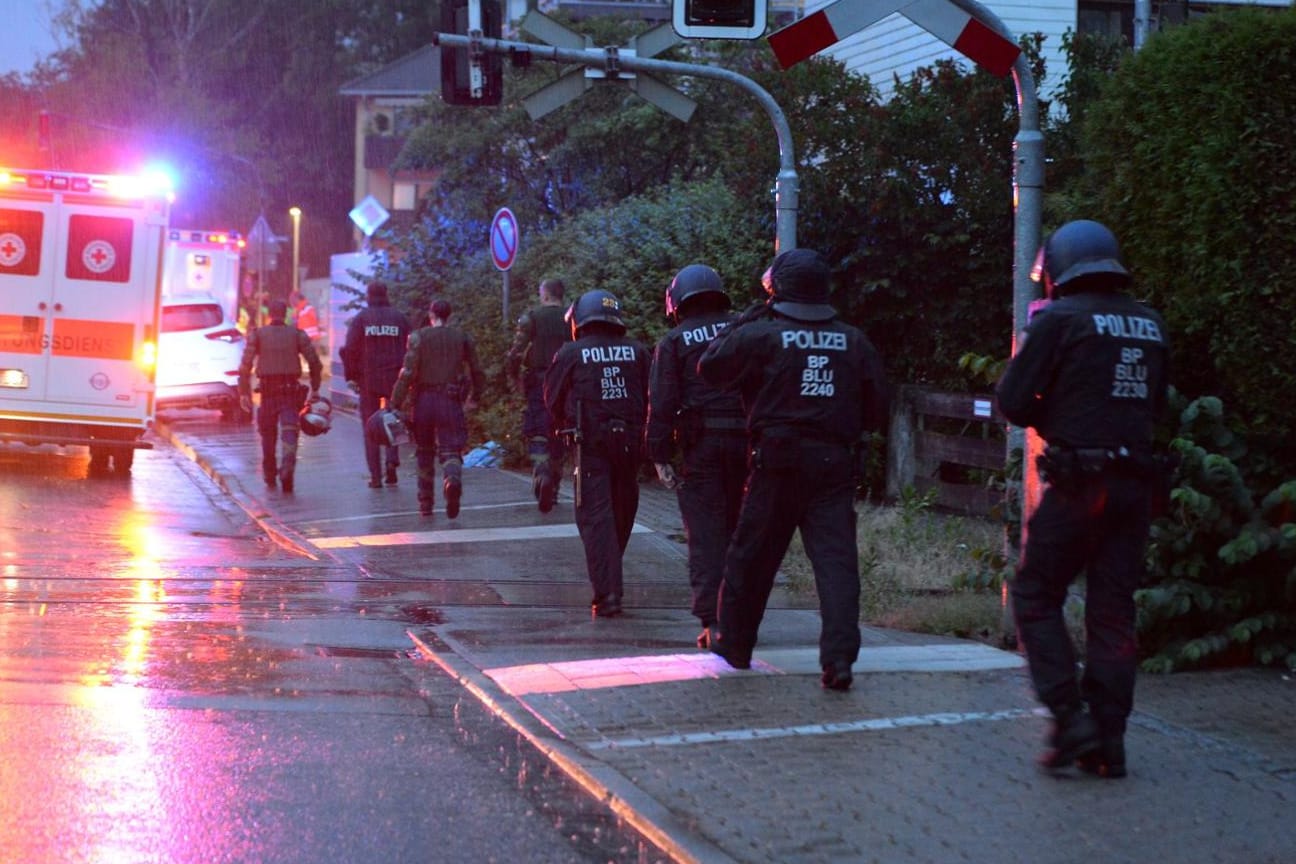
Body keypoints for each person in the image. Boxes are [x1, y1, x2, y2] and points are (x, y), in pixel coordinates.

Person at [996, 219, 1170, 778]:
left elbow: (1014, 402)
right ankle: (1110, 740)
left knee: (1036, 593)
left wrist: (1057, 411)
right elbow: (1157, 408)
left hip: (1078, 484)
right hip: (1135, 486)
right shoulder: (1150, 323)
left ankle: (1070, 717)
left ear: (1058, 272)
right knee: (1114, 610)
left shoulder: (1062, 321)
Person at [698, 249, 887, 691]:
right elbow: (878, 408)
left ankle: (736, 645)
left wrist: (744, 319)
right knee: (836, 563)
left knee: (751, 557)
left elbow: (710, 367)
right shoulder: (854, 340)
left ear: (775, 291)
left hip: (776, 462)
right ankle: (839, 659)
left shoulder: (762, 335)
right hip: (834, 464)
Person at [645, 264, 747, 649]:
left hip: (700, 449)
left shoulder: (673, 341)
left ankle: (714, 623)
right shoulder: (742, 328)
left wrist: (658, 454)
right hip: (746, 445)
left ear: (677, 301)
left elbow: (663, 402)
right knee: (742, 533)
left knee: (706, 537)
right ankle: (743, 616)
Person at [544, 289, 650, 618]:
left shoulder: (571, 353)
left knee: (595, 518)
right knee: (622, 510)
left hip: (590, 446)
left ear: (579, 320)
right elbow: (653, 392)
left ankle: (607, 595)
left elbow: (552, 397)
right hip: (631, 446)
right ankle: (611, 578)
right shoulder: (638, 351)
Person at [391, 298, 485, 519]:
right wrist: (475, 397)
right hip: (451, 400)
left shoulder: (418, 338)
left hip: (423, 401)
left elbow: (407, 374)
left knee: (424, 450)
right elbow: (477, 370)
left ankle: (426, 503)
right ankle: (451, 478)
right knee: (451, 448)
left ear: (431, 315)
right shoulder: (462, 338)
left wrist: (395, 403)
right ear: (449, 315)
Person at [237, 297, 323, 494]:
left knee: (267, 435)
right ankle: (287, 467)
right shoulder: (296, 334)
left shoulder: (258, 335)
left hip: (267, 393)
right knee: (290, 431)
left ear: (269, 315)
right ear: (285, 314)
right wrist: (316, 388)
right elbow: (314, 362)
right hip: (290, 392)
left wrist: (243, 392)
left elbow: (245, 365)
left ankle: (269, 473)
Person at [504, 278, 572, 512]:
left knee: (538, 432)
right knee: (561, 432)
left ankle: (542, 473)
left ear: (544, 295)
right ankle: (553, 489)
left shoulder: (532, 318)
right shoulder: (572, 318)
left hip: (539, 381)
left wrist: (514, 378)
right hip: (567, 381)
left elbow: (515, 353)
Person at [340, 281, 412, 488]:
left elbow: (350, 350)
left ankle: (375, 476)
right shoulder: (399, 318)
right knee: (394, 420)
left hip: (369, 380)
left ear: (368, 296)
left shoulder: (362, 319)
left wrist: (351, 377)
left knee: (370, 426)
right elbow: (412, 347)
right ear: (386, 294)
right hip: (394, 380)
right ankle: (391, 463)